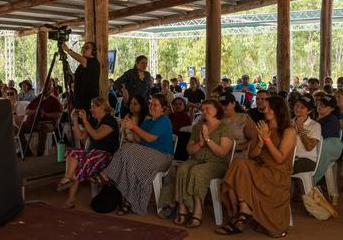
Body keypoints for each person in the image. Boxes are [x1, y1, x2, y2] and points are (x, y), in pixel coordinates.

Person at [216, 96, 296, 237]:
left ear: (279, 110)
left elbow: (279, 158)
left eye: (270, 108)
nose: (265, 110)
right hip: (261, 167)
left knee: (239, 166)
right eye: (266, 107)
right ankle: (244, 210)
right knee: (238, 163)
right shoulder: (263, 126)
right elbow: (253, 155)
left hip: (277, 173)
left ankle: (242, 213)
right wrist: (260, 142)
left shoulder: (288, 131)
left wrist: (267, 139)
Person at [159, 99, 233, 227]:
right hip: (196, 160)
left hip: (217, 163)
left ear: (217, 110)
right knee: (182, 168)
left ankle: (197, 211)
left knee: (196, 172)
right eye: (203, 109)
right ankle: (182, 209)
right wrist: (199, 143)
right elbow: (189, 149)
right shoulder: (197, 127)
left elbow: (223, 153)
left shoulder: (224, 128)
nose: (204, 111)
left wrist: (207, 139)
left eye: (208, 108)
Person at [99, 94, 174, 215]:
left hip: (163, 157)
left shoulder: (164, 121)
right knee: (129, 164)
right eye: (151, 104)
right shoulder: (148, 122)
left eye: (156, 105)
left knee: (127, 150)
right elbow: (139, 140)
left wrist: (133, 127)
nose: (152, 107)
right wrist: (128, 129)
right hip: (147, 155)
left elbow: (149, 139)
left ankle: (108, 174)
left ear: (163, 108)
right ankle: (129, 201)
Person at [56, 97, 119, 208]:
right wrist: (75, 120)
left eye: (93, 106)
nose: (90, 109)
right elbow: (80, 136)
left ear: (102, 107)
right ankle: (70, 194)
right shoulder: (94, 121)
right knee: (72, 155)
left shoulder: (110, 121)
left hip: (105, 156)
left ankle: (67, 180)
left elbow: (96, 135)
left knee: (75, 160)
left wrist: (85, 120)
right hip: (92, 155)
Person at [19, 83, 63, 156]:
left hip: (49, 123)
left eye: (48, 88)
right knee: (21, 128)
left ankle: (40, 152)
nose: (46, 90)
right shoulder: (36, 99)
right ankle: (26, 151)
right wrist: (34, 111)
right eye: (45, 88)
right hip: (34, 122)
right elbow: (26, 111)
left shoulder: (54, 101)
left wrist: (46, 114)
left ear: (51, 90)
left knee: (43, 127)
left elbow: (59, 114)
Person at [313, 95, 343, 199]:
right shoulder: (313, 116)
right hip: (317, 144)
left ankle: (313, 181)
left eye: (324, 106)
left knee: (322, 149)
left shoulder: (332, 119)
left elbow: (321, 135)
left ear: (331, 109)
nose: (320, 106)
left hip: (332, 145)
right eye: (320, 104)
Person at [62, 41, 99, 110]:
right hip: (79, 101)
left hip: (88, 102)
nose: (83, 49)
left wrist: (67, 50)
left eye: (87, 48)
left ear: (93, 51)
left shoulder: (94, 62)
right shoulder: (81, 65)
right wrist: (69, 71)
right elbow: (75, 78)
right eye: (83, 47)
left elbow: (81, 59)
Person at [291, 94, 321, 175]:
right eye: (297, 105)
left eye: (302, 108)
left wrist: (300, 128)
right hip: (290, 158)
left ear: (309, 111)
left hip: (307, 160)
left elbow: (309, 147)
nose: (298, 109)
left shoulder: (315, 125)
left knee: (281, 168)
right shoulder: (289, 122)